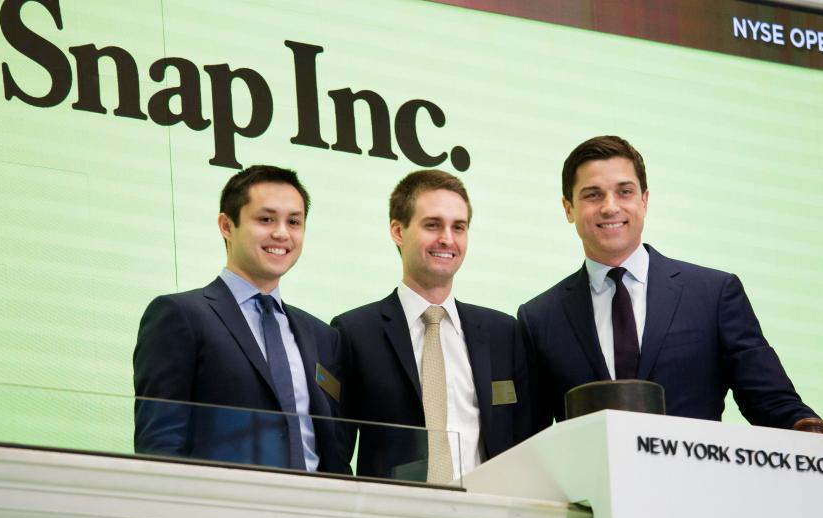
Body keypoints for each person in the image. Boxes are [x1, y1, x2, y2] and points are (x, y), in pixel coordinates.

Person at [519, 135, 823, 433]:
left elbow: (772, 402)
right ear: (568, 208)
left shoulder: (713, 295)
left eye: (624, 191)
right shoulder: (539, 319)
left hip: (695, 485)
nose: (610, 207)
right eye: (593, 194)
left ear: (645, 200)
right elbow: (530, 435)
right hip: (591, 488)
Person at [133, 165, 348, 473]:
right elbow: (160, 442)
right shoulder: (180, 316)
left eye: (294, 222)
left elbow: (333, 450)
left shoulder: (322, 335)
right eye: (266, 219)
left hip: (314, 513)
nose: (282, 233)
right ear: (226, 225)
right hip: (221, 511)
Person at [332, 170, 531, 483]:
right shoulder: (354, 332)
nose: (447, 239)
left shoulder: (503, 333)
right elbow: (336, 454)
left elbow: (526, 443)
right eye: (432, 225)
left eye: (459, 227)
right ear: (398, 230)